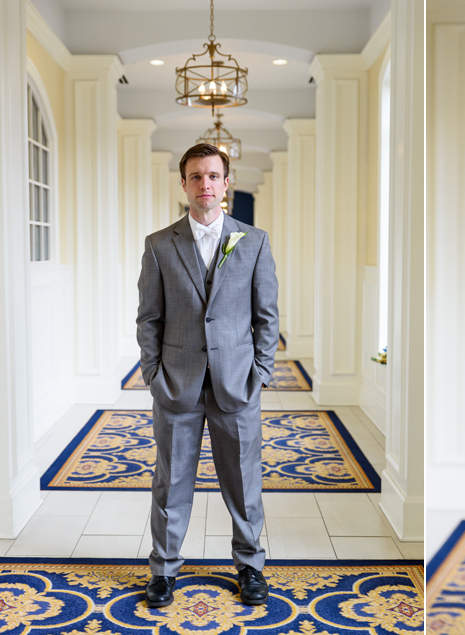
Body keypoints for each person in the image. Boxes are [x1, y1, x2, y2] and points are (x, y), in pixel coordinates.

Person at [136, 143, 279, 607]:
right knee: (171, 480)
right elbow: (149, 319)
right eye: (196, 176)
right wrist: (154, 374)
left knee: (243, 480)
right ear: (184, 184)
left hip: (237, 383)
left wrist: (260, 372)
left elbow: (267, 317)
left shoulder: (253, 241)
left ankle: (250, 565)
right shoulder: (159, 244)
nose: (205, 185)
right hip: (176, 383)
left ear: (226, 182)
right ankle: (163, 570)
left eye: (213, 176)